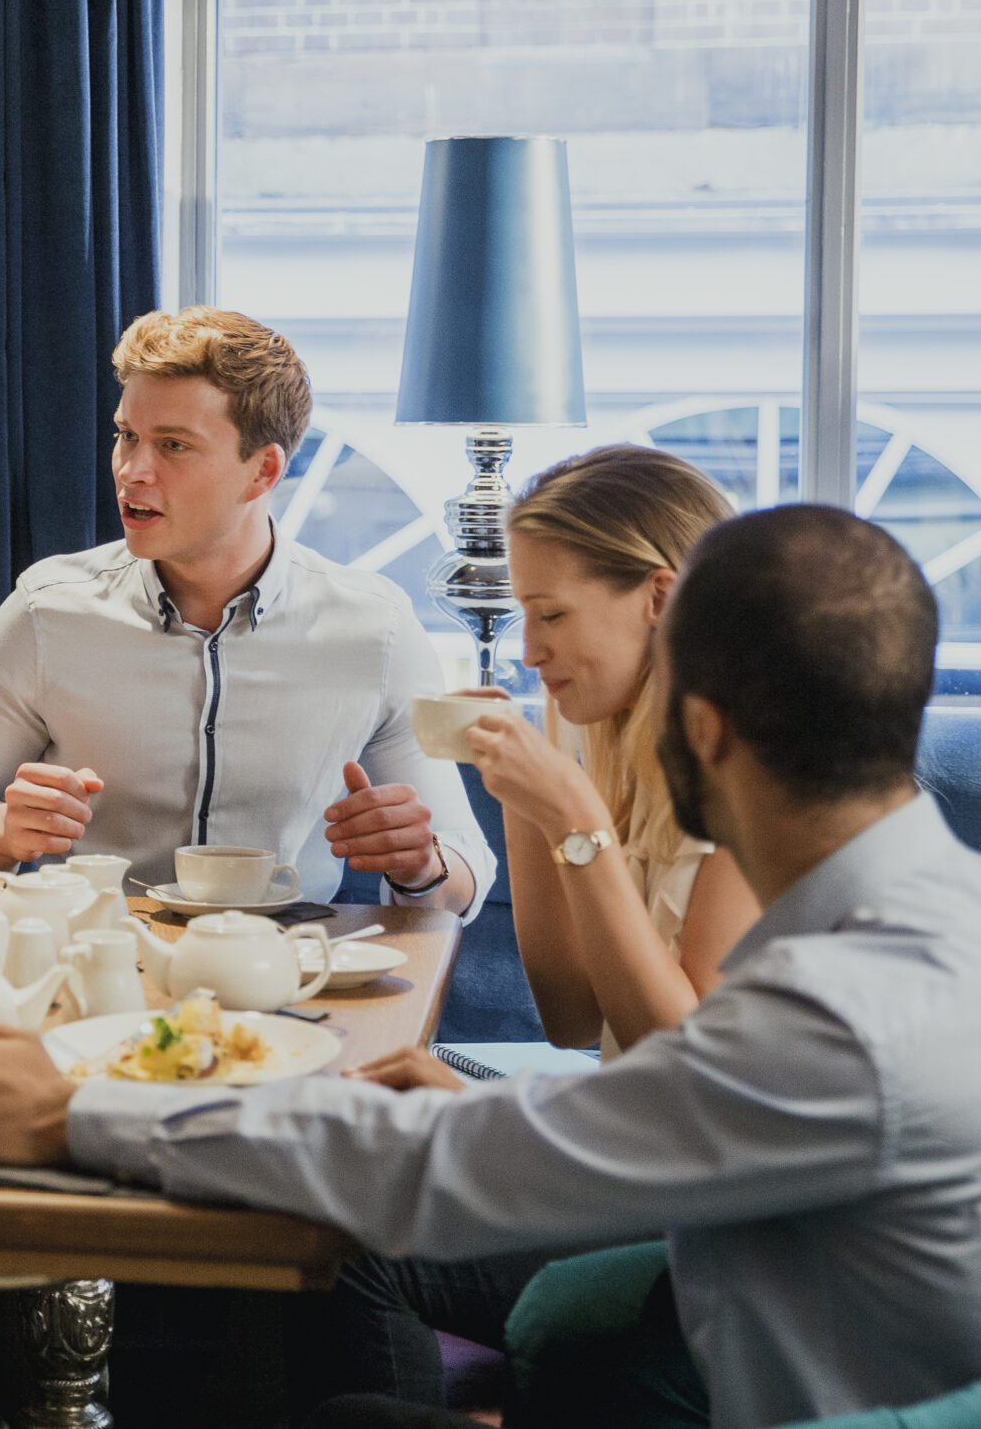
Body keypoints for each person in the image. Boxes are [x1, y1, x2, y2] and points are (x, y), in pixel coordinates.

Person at [0, 504, 981, 1429]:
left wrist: (77, 1110)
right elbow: (675, 1105)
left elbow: (440, 1174)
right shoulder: (955, 919)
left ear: (701, 727)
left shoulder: (848, 1009)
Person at [307, 447, 767, 1409]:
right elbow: (565, 1013)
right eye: (522, 612)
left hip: (699, 1207)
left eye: (551, 614)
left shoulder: (751, 776)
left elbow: (683, 1067)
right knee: (343, 1129)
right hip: (627, 1152)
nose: (527, 648)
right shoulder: (593, 726)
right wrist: (519, 798)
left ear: (659, 595)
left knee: (344, 1240)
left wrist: (577, 822)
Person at [0, 307, 495, 915]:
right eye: (126, 435)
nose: (132, 471)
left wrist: (421, 863)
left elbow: (465, 866)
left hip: (291, 977)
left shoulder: (379, 630)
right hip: (88, 970)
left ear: (263, 470)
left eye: (173, 445)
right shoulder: (46, 611)